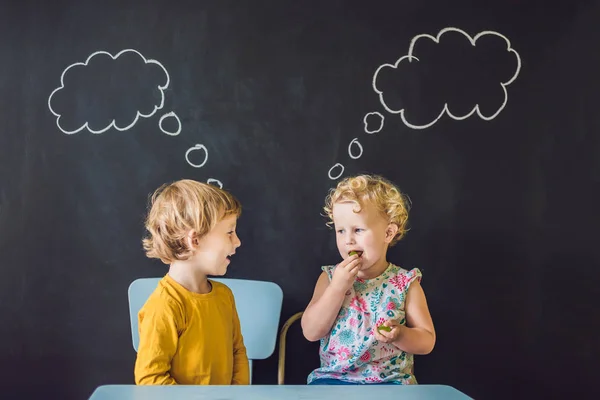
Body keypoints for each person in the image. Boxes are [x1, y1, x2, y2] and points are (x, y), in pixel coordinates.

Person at [302, 174, 435, 385]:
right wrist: (337, 287)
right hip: (333, 380)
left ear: (388, 233)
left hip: (391, 383)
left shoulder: (405, 283)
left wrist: (400, 335)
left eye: (358, 230)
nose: (348, 240)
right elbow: (310, 332)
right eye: (341, 231)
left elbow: (427, 341)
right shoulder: (329, 277)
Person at [134, 179, 249, 385]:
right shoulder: (164, 306)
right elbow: (150, 379)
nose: (238, 241)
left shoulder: (224, 295)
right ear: (194, 240)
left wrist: (236, 394)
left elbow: (237, 352)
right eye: (229, 232)